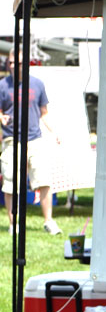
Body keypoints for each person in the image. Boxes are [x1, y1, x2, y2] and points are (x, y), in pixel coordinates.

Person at [1, 47, 61, 235]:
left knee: (43, 180)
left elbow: (44, 113)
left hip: (35, 139)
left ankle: (49, 222)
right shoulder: (3, 85)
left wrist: (55, 132)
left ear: (25, 64)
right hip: (11, 139)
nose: (13, 66)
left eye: (17, 63)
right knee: (10, 183)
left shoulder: (37, 84)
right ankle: (13, 224)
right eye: (10, 63)